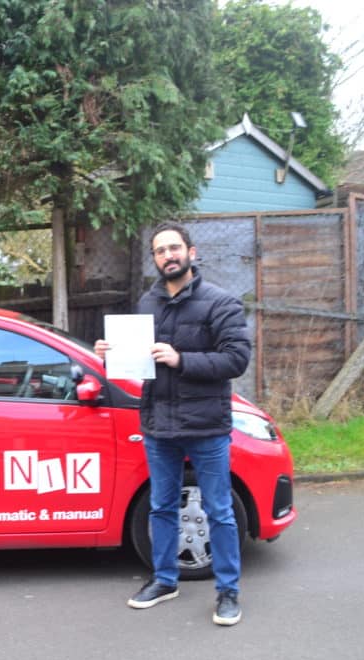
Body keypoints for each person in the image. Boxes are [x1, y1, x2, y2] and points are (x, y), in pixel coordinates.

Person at [94, 222, 251, 626]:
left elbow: (236, 360)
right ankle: (165, 580)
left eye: (174, 248)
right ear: (155, 259)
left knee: (219, 510)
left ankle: (228, 591)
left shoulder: (221, 303)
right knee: (162, 507)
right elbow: (139, 366)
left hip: (206, 427)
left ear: (191, 253)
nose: (168, 256)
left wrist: (182, 359)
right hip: (159, 425)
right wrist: (110, 355)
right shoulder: (146, 304)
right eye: (160, 251)